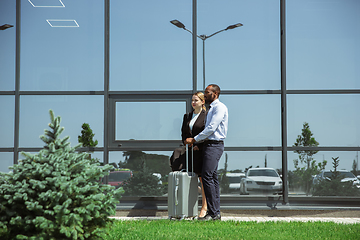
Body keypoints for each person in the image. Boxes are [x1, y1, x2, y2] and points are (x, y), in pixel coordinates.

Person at [185, 84, 228, 221]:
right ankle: (215, 213)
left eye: (207, 92)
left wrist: (194, 139)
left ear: (215, 93)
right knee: (212, 178)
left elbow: (211, 128)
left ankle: (213, 213)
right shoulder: (211, 108)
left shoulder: (219, 107)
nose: (206, 94)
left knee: (207, 177)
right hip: (209, 145)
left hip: (214, 145)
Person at [181, 91, 208, 218]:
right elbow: (183, 134)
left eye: (196, 100)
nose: (193, 102)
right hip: (190, 150)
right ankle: (187, 207)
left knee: (203, 179)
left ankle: (204, 207)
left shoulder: (206, 116)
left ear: (202, 102)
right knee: (187, 176)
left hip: (202, 150)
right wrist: (187, 141)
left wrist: (196, 141)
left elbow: (208, 134)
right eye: (192, 100)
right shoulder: (187, 116)